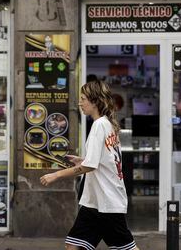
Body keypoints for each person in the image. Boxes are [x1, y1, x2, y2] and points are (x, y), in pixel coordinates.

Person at [40, 80, 139, 250]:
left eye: (83, 99)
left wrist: (56, 175)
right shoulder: (107, 123)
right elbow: (106, 160)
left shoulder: (99, 125)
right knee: (73, 245)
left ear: (95, 101)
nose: (80, 103)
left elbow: (90, 166)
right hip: (96, 202)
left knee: (126, 248)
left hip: (106, 202)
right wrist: (83, 160)